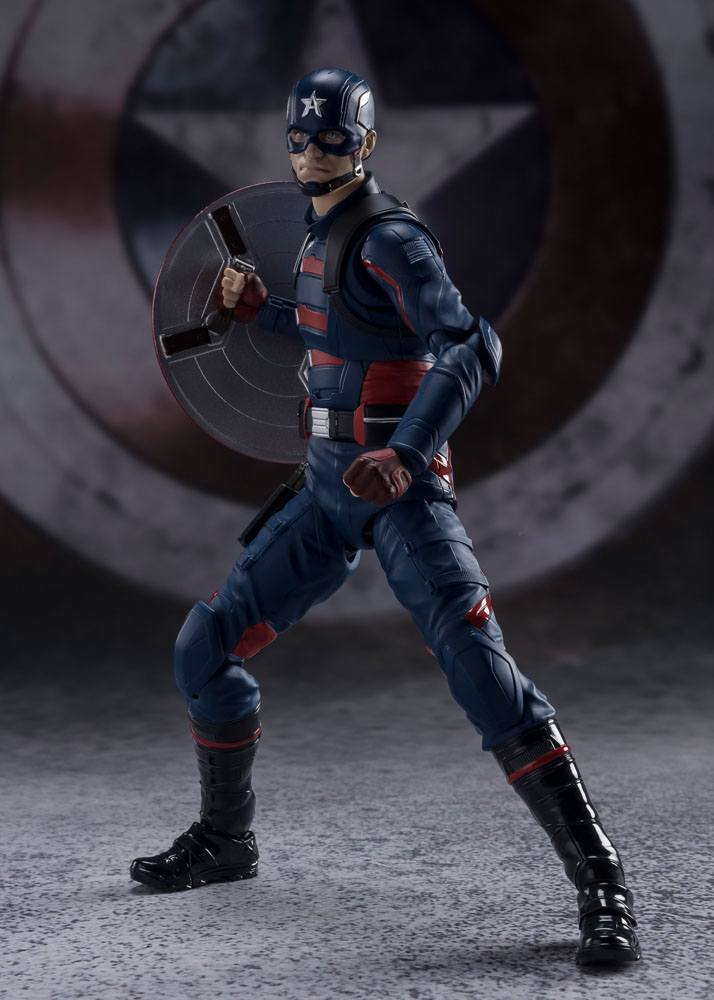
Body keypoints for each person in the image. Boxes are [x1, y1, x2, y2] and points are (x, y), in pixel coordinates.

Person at [130, 68, 640, 967]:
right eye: (300, 138)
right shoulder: (322, 237)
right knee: (203, 649)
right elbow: (340, 336)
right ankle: (226, 840)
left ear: (364, 144)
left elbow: (470, 343)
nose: (311, 154)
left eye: (331, 139)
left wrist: (404, 452)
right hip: (328, 489)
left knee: (487, 681)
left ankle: (603, 885)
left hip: (400, 494)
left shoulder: (393, 239)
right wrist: (263, 310)